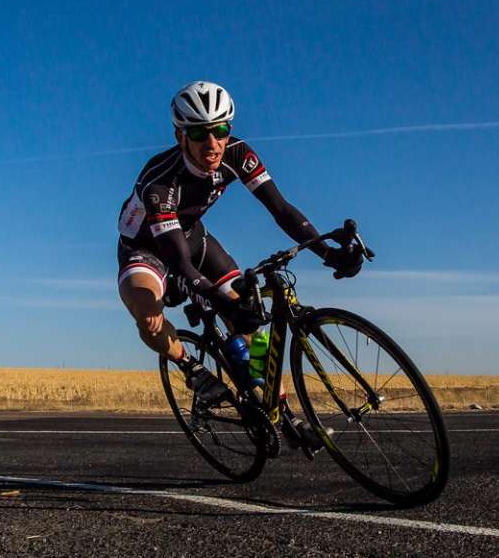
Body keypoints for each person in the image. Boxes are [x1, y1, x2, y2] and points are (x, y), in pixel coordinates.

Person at [116, 81, 362, 451]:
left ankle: (282, 413)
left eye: (221, 130)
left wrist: (328, 254)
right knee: (147, 313)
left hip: (193, 237)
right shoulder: (160, 181)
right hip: (146, 250)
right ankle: (192, 370)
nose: (212, 142)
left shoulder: (238, 154)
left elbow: (281, 209)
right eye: (199, 132)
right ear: (180, 135)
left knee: (253, 328)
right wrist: (214, 296)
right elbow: (177, 262)